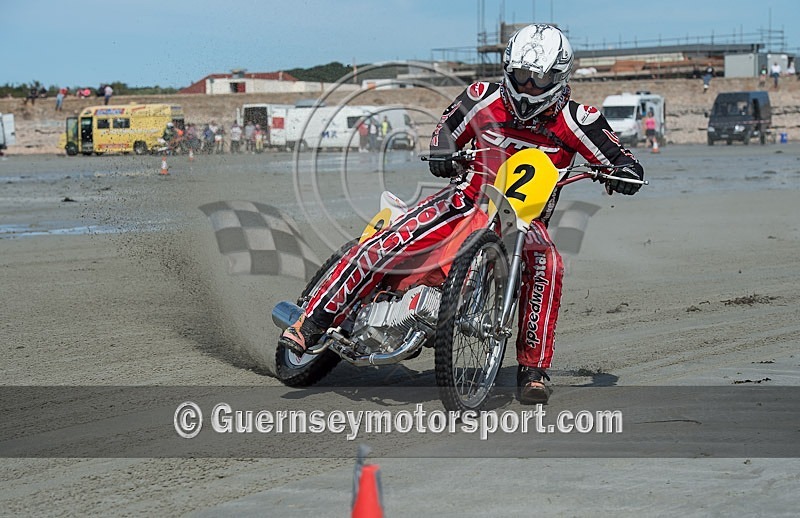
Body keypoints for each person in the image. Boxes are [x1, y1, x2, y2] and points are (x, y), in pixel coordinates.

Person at [278, 24, 645, 405]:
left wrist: (625, 173)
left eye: (539, 79)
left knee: (548, 263)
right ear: (508, 68)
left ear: (559, 76)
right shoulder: (482, 97)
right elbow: (445, 129)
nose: (528, 86)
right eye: (521, 75)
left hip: (524, 221)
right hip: (464, 201)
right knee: (388, 243)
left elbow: (621, 157)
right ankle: (311, 322)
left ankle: (533, 370)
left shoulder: (579, 119)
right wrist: (442, 151)